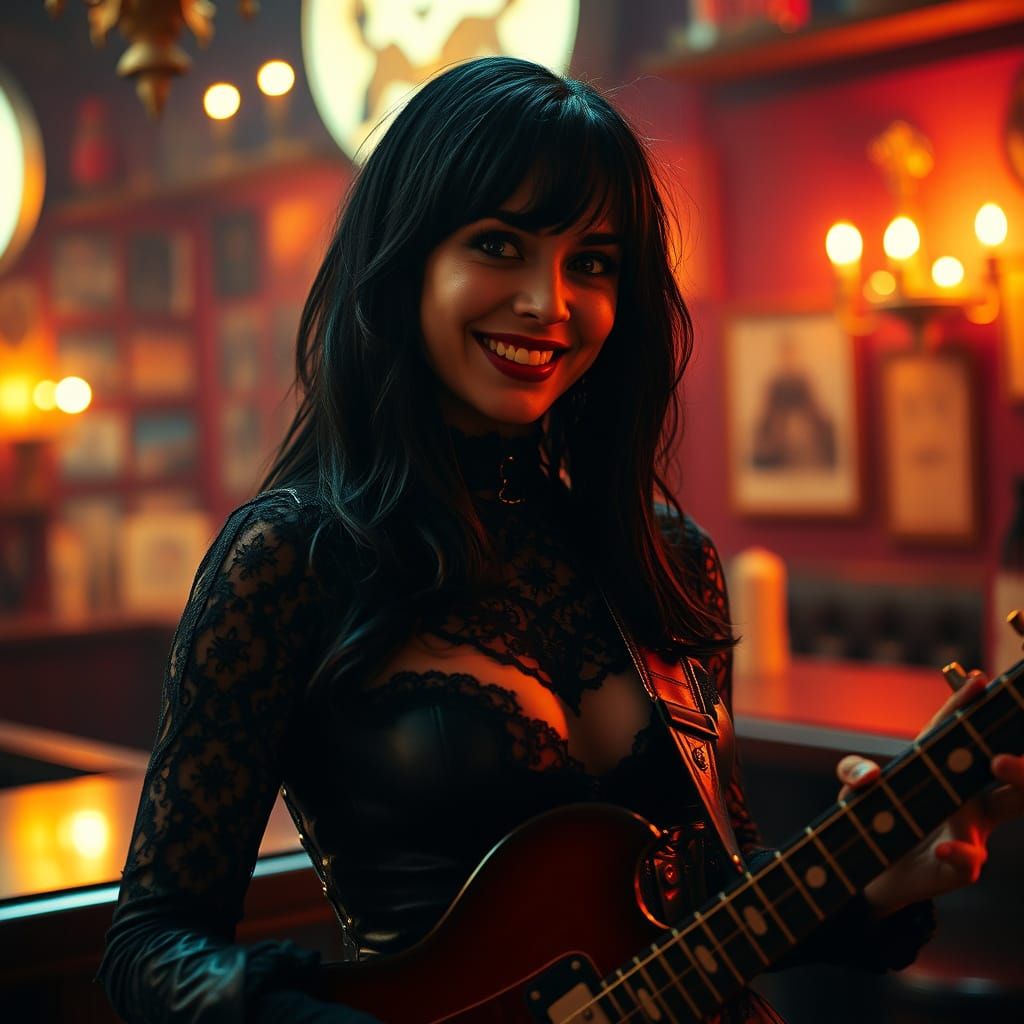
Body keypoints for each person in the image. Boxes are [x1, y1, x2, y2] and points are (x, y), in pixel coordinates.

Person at [97, 56, 1024, 1023]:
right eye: (500, 245)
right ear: (407, 259)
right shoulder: (292, 559)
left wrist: (883, 881)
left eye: (592, 261)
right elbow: (151, 945)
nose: (550, 302)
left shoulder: (671, 558)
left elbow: (716, 891)